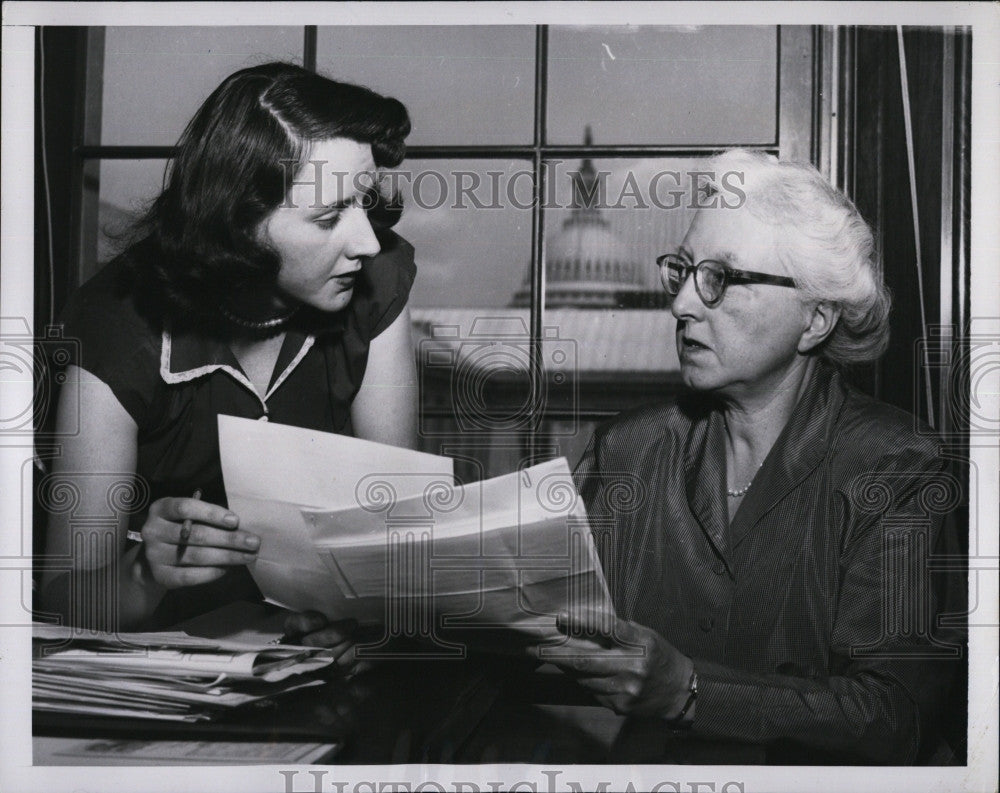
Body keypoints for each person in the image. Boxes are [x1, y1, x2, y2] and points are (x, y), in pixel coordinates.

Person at [544, 149, 964, 764]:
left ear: (815, 319)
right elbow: (546, 637)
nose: (682, 304)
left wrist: (691, 692)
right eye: (682, 271)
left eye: (720, 278)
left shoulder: (894, 466)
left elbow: (888, 718)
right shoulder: (629, 451)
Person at [39, 63, 417, 657]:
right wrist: (142, 573)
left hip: (314, 670)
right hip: (159, 668)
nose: (367, 241)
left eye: (364, 203)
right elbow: (64, 601)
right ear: (239, 224)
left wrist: (362, 619)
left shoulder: (375, 281)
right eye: (327, 217)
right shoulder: (117, 324)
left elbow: (400, 542)